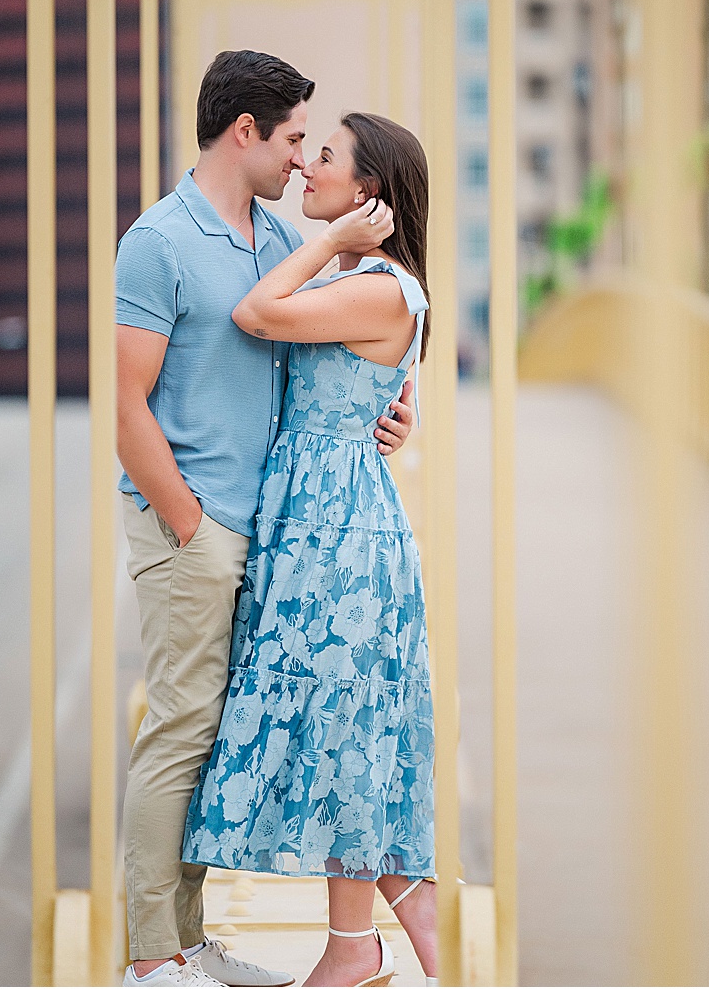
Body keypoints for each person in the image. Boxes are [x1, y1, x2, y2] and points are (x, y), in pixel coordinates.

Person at [115, 50, 414, 988]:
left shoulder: (275, 241)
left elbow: (326, 357)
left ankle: (191, 941)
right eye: (291, 139)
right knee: (179, 729)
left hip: (277, 532)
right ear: (244, 132)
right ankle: (152, 956)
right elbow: (127, 405)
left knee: (209, 732)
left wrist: (385, 414)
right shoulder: (158, 241)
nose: (299, 159)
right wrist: (188, 523)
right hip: (196, 526)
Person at [181, 112, 439, 988]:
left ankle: (360, 950)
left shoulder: (375, 283)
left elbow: (257, 312)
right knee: (341, 729)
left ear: (366, 194)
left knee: (344, 727)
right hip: (312, 521)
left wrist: (325, 242)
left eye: (324, 158)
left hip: (336, 536)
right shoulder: (357, 279)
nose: (305, 168)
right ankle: (383, 949)